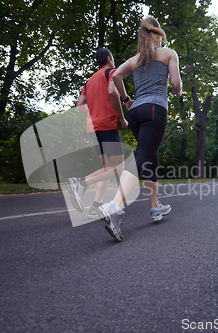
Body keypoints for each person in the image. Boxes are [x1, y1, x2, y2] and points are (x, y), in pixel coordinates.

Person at [97, 16, 183, 241]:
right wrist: (178, 92)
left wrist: (127, 99)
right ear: (157, 33)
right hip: (155, 110)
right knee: (142, 155)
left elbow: (115, 75)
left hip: (136, 113)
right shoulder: (168, 54)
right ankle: (114, 206)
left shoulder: (134, 60)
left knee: (150, 157)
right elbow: (175, 84)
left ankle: (155, 207)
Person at [66, 48, 131, 219]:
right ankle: (80, 182)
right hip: (107, 125)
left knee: (107, 168)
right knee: (118, 168)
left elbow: (80, 106)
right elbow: (112, 92)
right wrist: (122, 118)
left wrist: (93, 113)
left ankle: (96, 205)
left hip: (92, 128)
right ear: (109, 59)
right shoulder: (111, 72)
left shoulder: (88, 82)